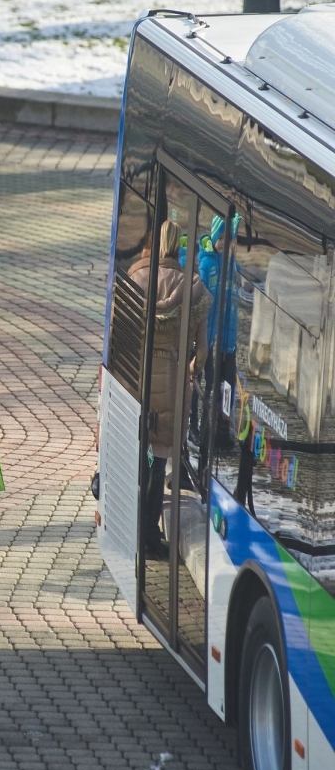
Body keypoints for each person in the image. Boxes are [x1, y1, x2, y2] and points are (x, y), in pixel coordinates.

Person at [130, 220, 211, 559]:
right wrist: (191, 370)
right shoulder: (192, 289)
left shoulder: (135, 280)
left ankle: (129, 527)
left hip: (137, 376)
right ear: (180, 249)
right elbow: (202, 351)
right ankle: (150, 535)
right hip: (173, 377)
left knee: (137, 454)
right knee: (160, 457)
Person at [197, 213, 242, 449]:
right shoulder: (207, 264)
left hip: (228, 339)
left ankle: (222, 432)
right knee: (211, 383)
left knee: (227, 387)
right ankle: (202, 430)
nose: (224, 242)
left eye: (229, 238)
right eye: (221, 237)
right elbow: (202, 298)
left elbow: (237, 285)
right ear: (214, 237)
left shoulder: (230, 263)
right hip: (209, 336)